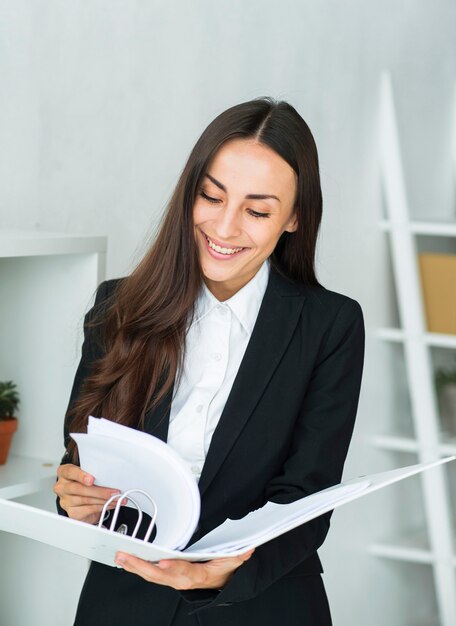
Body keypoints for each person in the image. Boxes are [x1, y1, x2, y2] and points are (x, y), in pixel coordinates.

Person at [54, 96, 365, 626]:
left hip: (262, 606)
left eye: (258, 210)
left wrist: (216, 573)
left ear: (293, 219)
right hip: (123, 603)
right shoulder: (117, 308)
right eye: (210, 196)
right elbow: (84, 458)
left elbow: (306, 500)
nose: (224, 228)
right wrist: (74, 497)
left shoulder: (329, 326)